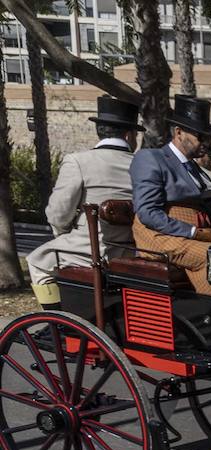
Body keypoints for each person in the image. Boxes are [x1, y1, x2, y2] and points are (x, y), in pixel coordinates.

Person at [26, 95, 142, 304]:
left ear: (99, 131)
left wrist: (63, 234)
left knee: (37, 261)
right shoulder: (143, 166)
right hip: (134, 250)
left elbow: (58, 214)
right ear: (129, 135)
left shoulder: (78, 161)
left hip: (90, 249)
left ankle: (57, 320)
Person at [130, 94, 211, 297]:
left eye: (208, 137)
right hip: (160, 236)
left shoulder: (194, 169)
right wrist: (194, 231)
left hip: (198, 233)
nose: (206, 143)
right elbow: (147, 212)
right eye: (200, 136)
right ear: (178, 132)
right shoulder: (151, 158)